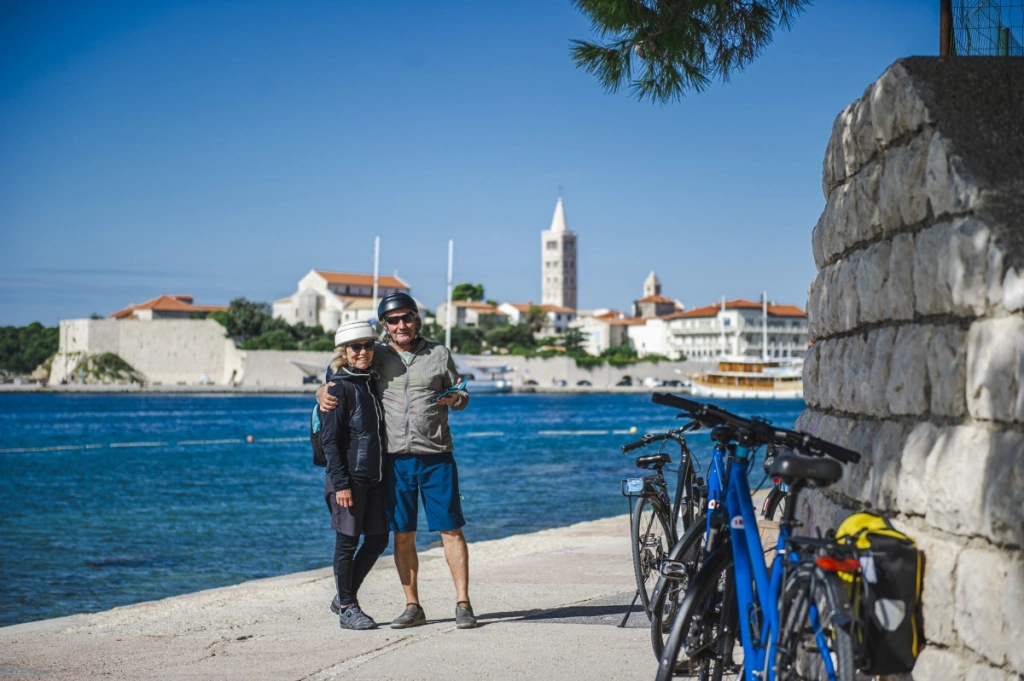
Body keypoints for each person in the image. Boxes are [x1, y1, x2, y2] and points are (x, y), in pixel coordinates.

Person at [317, 292, 475, 629]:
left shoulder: (439, 353)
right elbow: (343, 366)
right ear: (385, 325)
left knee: (451, 530)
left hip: (437, 456)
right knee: (402, 534)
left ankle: (463, 604)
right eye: (393, 320)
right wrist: (322, 389)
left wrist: (456, 399)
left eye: (406, 318)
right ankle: (412, 606)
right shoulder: (377, 354)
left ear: (416, 320)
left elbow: (462, 395)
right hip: (393, 461)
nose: (401, 325)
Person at [321, 319, 390, 630]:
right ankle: (348, 608)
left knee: (377, 539)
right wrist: (341, 484)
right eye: (356, 347)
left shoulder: (368, 382)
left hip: (373, 477)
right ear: (344, 352)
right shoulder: (338, 387)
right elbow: (330, 441)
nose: (363, 351)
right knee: (346, 543)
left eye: (368, 346)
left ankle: (343, 596)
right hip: (349, 479)